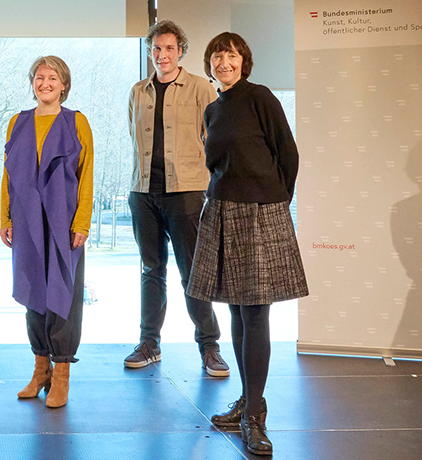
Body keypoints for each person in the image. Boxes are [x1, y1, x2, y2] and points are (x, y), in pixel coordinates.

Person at [189, 32, 308, 456]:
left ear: (244, 60)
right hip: (222, 210)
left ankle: (255, 415)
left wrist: (275, 198)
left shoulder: (260, 98)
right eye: (217, 56)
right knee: (238, 309)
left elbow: (287, 155)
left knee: (256, 313)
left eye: (232, 55)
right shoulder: (212, 109)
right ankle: (246, 400)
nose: (224, 62)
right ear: (210, 64)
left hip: (261, 211)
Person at [124, 20, 229, 377]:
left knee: (191, 274)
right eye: (156, 49)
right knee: (151, 271)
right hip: (143, 194)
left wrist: (210, 188)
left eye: (169, 48)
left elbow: (216, 142)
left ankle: (209, 346)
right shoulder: (138, 91)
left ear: (180, 51)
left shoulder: (202, 89)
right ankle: (149, 343)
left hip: (186, 193)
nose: (162, 55)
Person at [0, 56, 93, 409]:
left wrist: (82, 221)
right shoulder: (17, 123)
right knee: (33, 292)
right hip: (25, 221)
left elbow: (87, 175)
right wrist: (5, 219)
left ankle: (62, 373)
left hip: (64, 221)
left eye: (52, 78)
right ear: (32, 83)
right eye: (39, 78)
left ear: (64, 84)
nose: (45, 83)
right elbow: (8, 175)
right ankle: (41, 369)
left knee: (63, 295)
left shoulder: (76, 122)